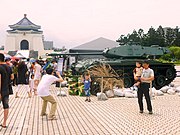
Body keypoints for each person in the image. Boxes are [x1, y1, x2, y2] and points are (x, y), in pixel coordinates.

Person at [0, 53, 11, 128]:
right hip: (6, 89)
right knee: (6, 106)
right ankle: (4, 123)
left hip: (0, 90)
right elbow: (12, 77)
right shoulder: (9, 67)